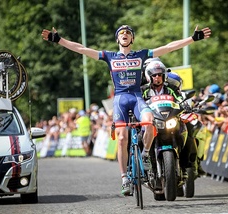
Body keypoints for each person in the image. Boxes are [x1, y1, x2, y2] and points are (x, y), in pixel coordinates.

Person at [41, 24, 211, 195]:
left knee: (150, 122)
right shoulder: (110, 56)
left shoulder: (141, 55)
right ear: (117, 39)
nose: (125, 34)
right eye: (121, 33)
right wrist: (59, 40)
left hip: (137, 98)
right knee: (122, 137)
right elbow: (82, 49)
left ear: (132, 39)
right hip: (121, 99)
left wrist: (192, 38)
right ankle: (124, 178)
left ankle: (145, 155)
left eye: (128, 33)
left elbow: (168, 48)